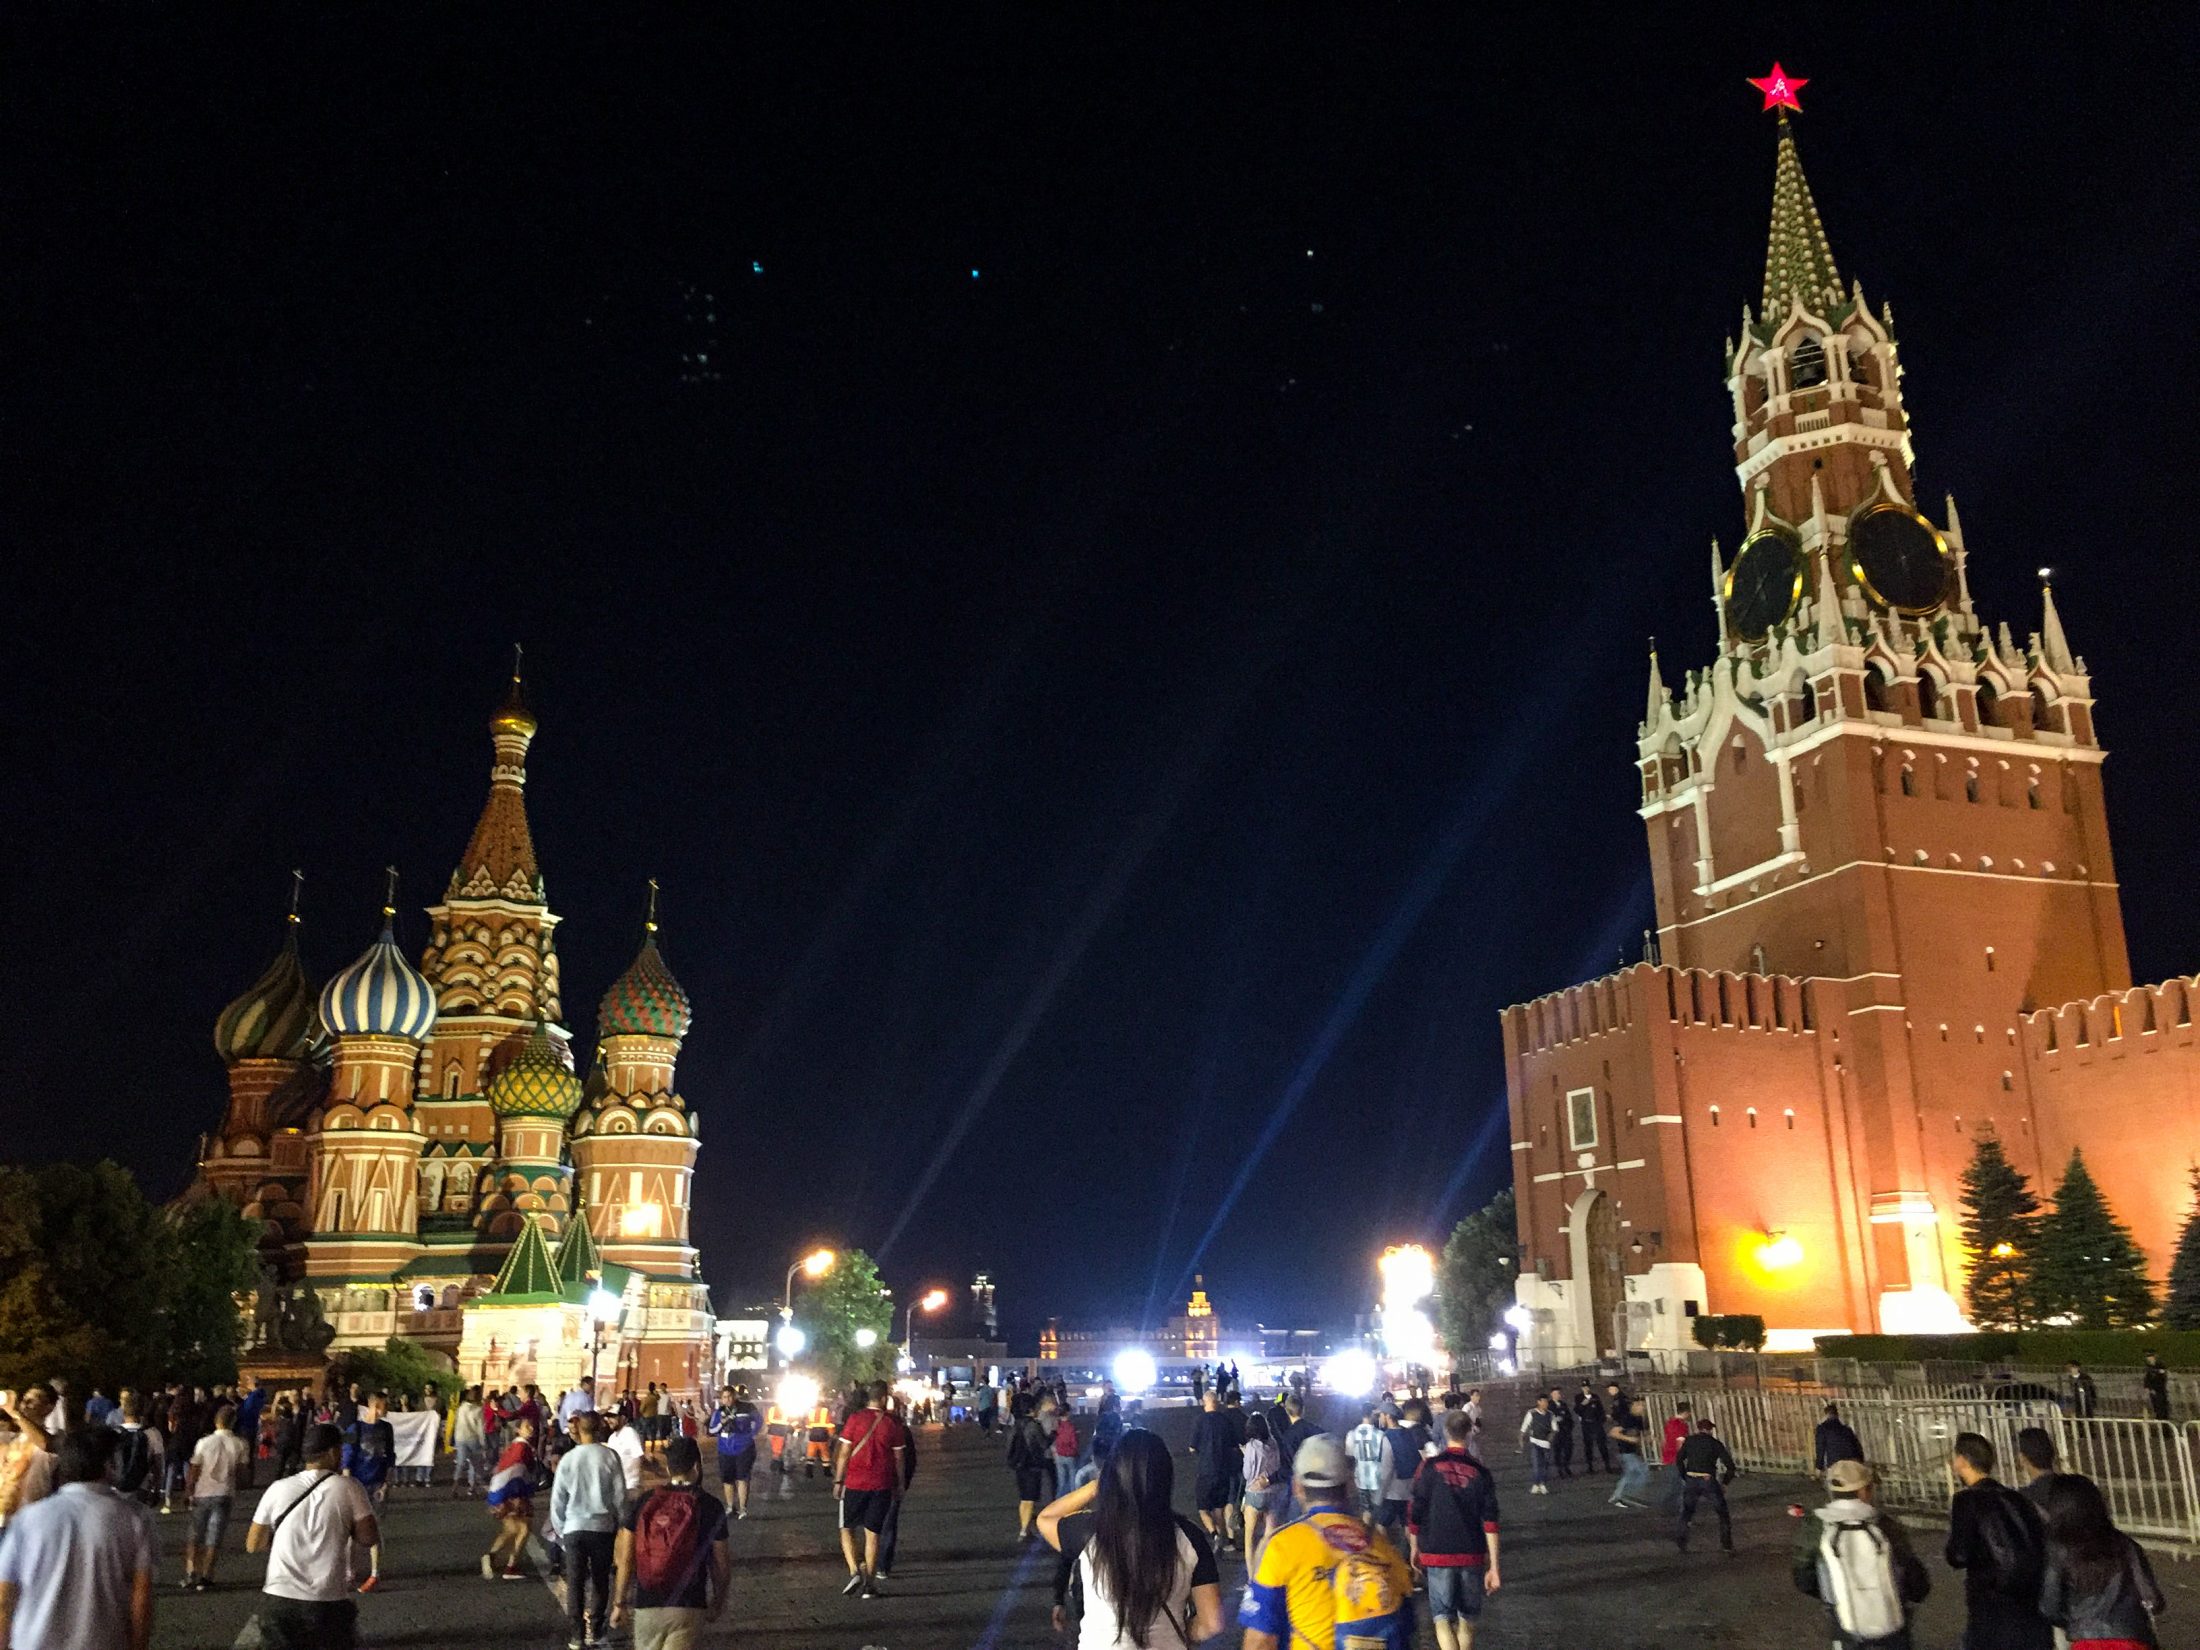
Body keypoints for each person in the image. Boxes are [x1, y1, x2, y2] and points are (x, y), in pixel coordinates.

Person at [1039, 1428, 1224, 1650]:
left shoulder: (1090, 1530)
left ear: (1112, 1475)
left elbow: (1046, 1518)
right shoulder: (1191, 1538)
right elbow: (1212, 1623)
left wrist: (1096, 1486)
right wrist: (1182, 1633)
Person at [1242, 1434, 1414, 1650]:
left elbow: (1259, 1641)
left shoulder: (1281, 1546)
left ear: (1297, 1487)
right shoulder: (1381, 1544)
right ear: (1350, 1485)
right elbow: (1404, 1626)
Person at [0, 1427, 156, 1650]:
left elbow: (4, 1597)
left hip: (33, 1642)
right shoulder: (135, 1518)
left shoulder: (29, 1518)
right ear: (109, 1464)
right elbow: (141, 1599)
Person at [248, 1421, 380, 1650]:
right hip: (327, 1601)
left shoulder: (277, 1488)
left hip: (280, 1599)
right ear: (332, 1453)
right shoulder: (349, 1487)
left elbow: (253, 1544)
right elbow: (369, 1538)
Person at [1793, 1458, 1931, 1650]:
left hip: (1844, 1622)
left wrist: (1833, 1596)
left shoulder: (1817, 1527)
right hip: (1891, 1621)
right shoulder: (1885, 1525)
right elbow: (1914, 1575)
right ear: (1863, 1491)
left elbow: (1803, 1579)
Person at [611, 1435, 730, 1650]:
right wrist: (718, 1601)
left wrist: (619, 1602)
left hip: (647, 1605)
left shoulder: (645, 1501)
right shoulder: (710, 1505)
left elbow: (625, 1558)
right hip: (688, 1606)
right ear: (697, 1466)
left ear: (668, 1468)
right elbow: (721, 1564)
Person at [1946, 1430, 2052, 1650]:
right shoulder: (2015, 1497)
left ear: (1963, 1461)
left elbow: (1959, 1554)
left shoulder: (1966, 1499)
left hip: (1991, 1606)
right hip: (2029, 1604)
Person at [2037, 1473, 2167, 1648]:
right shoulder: (2126, 1545)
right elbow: (2153, 1600)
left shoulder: (2058, 1550)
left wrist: (2075, 1621)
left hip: (2086, 1642)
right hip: (2131, 1639)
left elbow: (2049, 1607)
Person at [1409, 1410, 1502, 1650]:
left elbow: (1415, 1511)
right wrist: (1494, 1566)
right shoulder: (1481, 1472)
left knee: (1441, 1619)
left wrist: (1414, 1546)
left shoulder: (1428, 1467)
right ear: (1469, 1433)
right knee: (1467, 1620)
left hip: (1436, 1553)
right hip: (1471, 1553)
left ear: (1445, 1432)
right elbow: (1491, 1522)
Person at [552, 1413, 626, 1650]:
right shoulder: (609, 1456)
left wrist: (561, 1529)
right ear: (598, 1429)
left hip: (574, 1528)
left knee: (575, 1582)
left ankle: (576, 1635)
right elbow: (620, 1495)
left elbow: (558, 1499)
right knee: (600, 1580)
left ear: (580, 1430)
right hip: (602, 1527)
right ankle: (597, 1631)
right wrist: (622, 1521)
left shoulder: (569, 1459)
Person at [832, 1380, 908, 1599]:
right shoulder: (892, 1424)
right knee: (873, 1534)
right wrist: (900, 1484)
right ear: (884, 1398)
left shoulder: (855, 1419)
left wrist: (838, 1481)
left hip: (855, 1483)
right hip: (882, 1484)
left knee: (846, 1528)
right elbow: (899, 1458)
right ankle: (869, 1586)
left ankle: (854, 1571)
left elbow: (844, 1452)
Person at [184, 1402, 251, 1591]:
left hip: (202, 1492)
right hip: (225, 1492)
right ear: (233, 1422)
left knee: (195, 1534)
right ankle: (207, 1575)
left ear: (216, 1421)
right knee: (214, 1536)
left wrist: (189, 1490)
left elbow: (194, 1468)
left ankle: (191, 1572)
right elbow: (242, 1471)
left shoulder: (204, 1442)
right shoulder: (240, 1444)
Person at [340, 1391, 394, 1592]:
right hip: (357, 1484)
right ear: (374, 1406)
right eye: (384, 1405)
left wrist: (387, 1483)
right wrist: (347, 1487)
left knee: (375, 1530)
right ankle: (349, 1572)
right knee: (350, 1532)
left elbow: (390, 1457)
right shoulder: (354, 1428)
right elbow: (346, 1459)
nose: (387, 1409)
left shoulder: (387, 1429)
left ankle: (374, 1574)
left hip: (377, 1484)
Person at [484, 1416, 539, 1580]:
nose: (531, 1429)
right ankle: (511, 1567)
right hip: (511, 1494)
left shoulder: (516, 1446)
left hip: (501, 1493)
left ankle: (491, 1556)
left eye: (531, 1425)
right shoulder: (522, 1448)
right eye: (527, 1426)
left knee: (511, 1528)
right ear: (518, 1430)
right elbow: (516, 1473)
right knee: (524, 1528)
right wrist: (517, 1497)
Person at [1672, 1416, 1737, 1553]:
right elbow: (1730, 1466)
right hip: (1708, 1480)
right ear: (1710, 1430)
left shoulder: (1689, 1441)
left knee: (1687, 1512)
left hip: (1691, 1479)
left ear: (1698, 1428)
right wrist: (1725, 1483)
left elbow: (1679, 1460)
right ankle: (1726, 1545)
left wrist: (1684, 1476)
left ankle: (1681, 1542)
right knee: (1722, 1513)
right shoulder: (1715, 1443)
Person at [874, 1395, 919, 1581]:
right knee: (889, 1524)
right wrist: (903, 1484)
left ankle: (871, 1561)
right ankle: (882, 1565)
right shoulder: (901, 1429)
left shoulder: (871, 1425)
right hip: (893, 1484)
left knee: (873, 1524)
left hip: (871, 1482)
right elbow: (910, 1460)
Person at [0, 1388, 57, 1533]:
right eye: (24, 1399)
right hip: (3, 1519)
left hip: (30, 1521)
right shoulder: (12, 1438)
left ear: (49, 1408)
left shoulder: (56, 1436)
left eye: (33, 1400)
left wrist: (15, 1413)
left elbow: (44, 1443)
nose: (25, 1403)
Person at [1193, 1389, 1242, 1544]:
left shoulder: (1199, 1421)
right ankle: (1224, 1538)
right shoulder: (1225, 1420)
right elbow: (1234, 1446)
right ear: (1217, 1403)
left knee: (1202, 1508)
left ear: (1204, 1402)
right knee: (1219, 1507)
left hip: (1205, 1470)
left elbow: (1192, 1447)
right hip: (1223, 1470)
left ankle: (1215, 1535)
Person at [706, 1384, 760, 1519]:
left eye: (730, 1396)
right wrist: (722, 1423)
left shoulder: (747, 1408)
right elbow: (711, 1430)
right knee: (727, 1479)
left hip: (744, 1448)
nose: (727, 1399)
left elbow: (759, 1421)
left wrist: (751, 1435)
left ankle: (743, 1509)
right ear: (722, 1399)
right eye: (724, 1397)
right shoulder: (719, 1412)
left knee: (742, 1478)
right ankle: (730, 1507)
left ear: (734, 1396)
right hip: (725, 1449)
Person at [1012, 1395, 1059, 1541]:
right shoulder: (1034, 1425)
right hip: (1032, 1464)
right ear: (1031, 1409)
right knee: (1030, 1498)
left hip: (1018, 1464)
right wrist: (1053, 1434)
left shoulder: (1016, 1424)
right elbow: (1043, 1444)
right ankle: (1024, 1531)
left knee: (1024, 1499)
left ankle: (1025, 1528)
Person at [1239, 1411, 1283, 1559]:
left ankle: (1252, 1571)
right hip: (1273, 1492)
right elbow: (1277, 1466)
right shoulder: (1274, 1443)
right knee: (1270, 1535)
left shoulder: (1251, 1446)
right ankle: (1267, 1565)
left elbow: (1247, 1474)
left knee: (1249, 1538)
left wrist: (1245, 1455)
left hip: (1254, 1493)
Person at [1607, 1388, 1651, 1509]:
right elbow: (1613, 1432)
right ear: (1634, 1405)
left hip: (1632, 1451)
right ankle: (1625, 1495)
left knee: (1632, 1473)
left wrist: (1648, 1438)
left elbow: (1642, 1434)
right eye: (1641, 1405)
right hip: (1623, 1450)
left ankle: (1620, 1496)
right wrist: (1629, 1439)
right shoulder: (1627, 1418)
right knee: (1638, 1472)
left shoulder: (1639, 1419)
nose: (1643, 1408)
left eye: (1644, 1406)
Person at [1348, 1405, 1389, 1522]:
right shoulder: (1380, 1435)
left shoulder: (1352, 1434)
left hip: (1360, 1478)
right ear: (1372, 1414)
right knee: (1379, 1514)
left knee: (1365, 1511)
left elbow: (1350, 1457)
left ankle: (1366, 1531)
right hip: (1377, 1478)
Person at [452, 1385, 489, 1499]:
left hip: (460, 1438)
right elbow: (480, 1428)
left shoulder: (461, 1408)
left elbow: (456, 1422)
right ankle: (472, 1487)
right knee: (475, 1464)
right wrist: (483, 1443)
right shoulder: (479, 1410)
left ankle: (455, 1486)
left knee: (461, 1463)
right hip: (473, 1438)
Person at [606, 1407, 648, 1501]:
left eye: (613, 1417)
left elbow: (639, 1457)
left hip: (631, 1486)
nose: (609, 1420)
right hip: (618, 1487)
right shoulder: (612, 1438)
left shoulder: (630, 1432)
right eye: (608, 1417)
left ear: (623, 1418)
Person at [1517, 1394, 1555, 1495]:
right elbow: (1524, 1428)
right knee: (1536, 1464)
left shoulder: (1550, 1414)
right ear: (1539, 1402)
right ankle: (1536, 1483)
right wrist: (1521, 1442)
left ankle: (1542, 1484)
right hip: (1535, 1442)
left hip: (1546, 1443)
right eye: (1544, 1401)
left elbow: (1555, 1428)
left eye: (1546, 1402)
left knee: (1545, 1465)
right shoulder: (1532, 1413)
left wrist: (1551, 1436)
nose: (1546, 1404)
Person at [1816, 1402, 1865, 1474]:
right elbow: (1857, 1446)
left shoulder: (1822, 1429)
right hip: (1851, 1461)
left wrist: (1819, 1466)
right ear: (1837, 1414)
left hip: (1835, 1463)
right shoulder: (1847, 1429)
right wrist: (1860, 1461)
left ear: (1826, 1415)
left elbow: (1820, 1448)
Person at [1574, 1383, 1611, 1474]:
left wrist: (1601, 1420)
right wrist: (1582, 1404)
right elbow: (1577, 1410)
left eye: (1587, 1387)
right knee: (1588, 1445)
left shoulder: (1595, 1397)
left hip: (1596, 1423)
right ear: (1582, 1388)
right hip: (1586, 1424)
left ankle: (1607, 1465)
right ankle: (1590, 1466)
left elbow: (1600, 1410)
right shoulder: (1579, 1397)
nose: (1586, 1389)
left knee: (1602, 1444)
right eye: (1584, 1387)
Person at [1547, 1386, 1574, 1478]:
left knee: (1568, 1450)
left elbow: (1569, 1417)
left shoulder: (1563, 1404)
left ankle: (1566, 1465)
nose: (1557, 1395)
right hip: (1556, 1432)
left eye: (1558, 1393)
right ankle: (1560, 1469)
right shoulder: (1549, 1405)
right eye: (1555, 1393)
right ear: (1551, 1395)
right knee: (1557, 1451)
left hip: (1566, 1431)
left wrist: (1569, 1426)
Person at [2143, 1351, 2171, 1423]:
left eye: (2150, 1357)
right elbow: (2147, 1378)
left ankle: (2163, 1419)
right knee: (2156, 1405)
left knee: (2161, 1405)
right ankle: (2159, 1418)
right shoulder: (2149, 1367)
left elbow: (2162, 1377)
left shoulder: (2159, 1365)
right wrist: (2148, 1387)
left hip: (2159, 1389)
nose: (2149, 1359)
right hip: (2154, 1390)